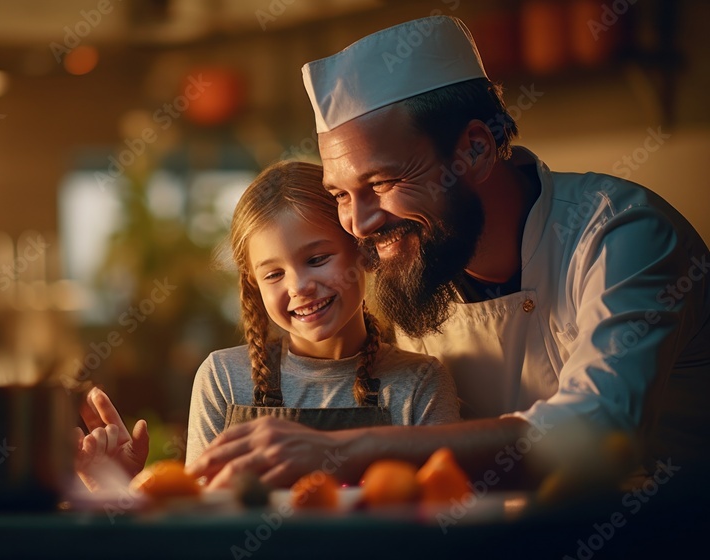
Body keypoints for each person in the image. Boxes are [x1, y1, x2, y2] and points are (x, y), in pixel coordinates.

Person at [188, 15, 710, 491]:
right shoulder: (416, 271)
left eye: (385, 180)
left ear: (476, 149)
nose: (360, 224)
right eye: (342, 194)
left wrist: (346, 449)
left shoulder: (622, 235)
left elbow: (603, 429)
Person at [74, 161, 460, 491]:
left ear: (362, 250)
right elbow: (199, 535)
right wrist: (116, 490)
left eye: (318, 258)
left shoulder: (420, 385)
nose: (299, 286)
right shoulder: (224, 379)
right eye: (274, 274)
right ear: (253, 285)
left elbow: (440, 528)